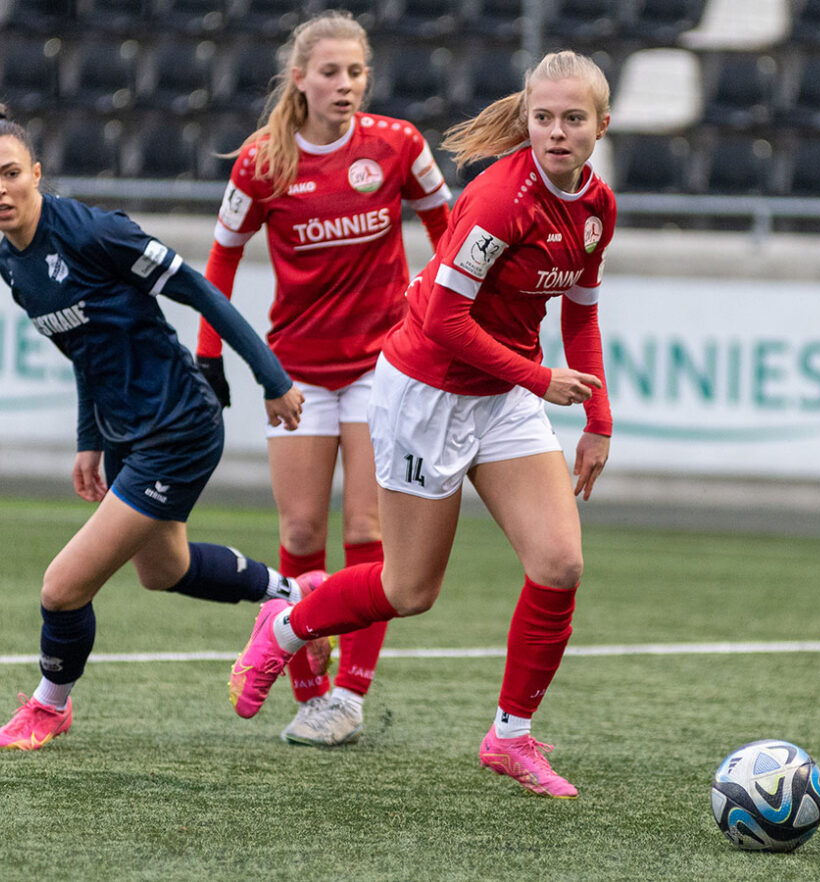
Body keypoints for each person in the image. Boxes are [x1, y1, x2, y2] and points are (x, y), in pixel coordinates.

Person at [227, 50, 616, 797]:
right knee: (409, 590)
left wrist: (598, 418)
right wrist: (541, 378)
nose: (556, 132)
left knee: (559, 564)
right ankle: (282, 628)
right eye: (543, 118)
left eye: (573, 119)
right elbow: (440, 319)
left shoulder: (597, 206)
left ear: (603, 124)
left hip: (502, 395)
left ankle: (510, 738)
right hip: (426, 392)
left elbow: (582, 313)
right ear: (526, 118)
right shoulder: (503, 199)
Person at [0, 102, 313, 751]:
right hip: (124, 433)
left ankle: (48, 707)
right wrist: (89, 440)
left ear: (36, 172)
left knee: (62, 587)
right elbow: (84, 349)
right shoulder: (12, 263)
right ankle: (293, 596)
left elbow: (201, 292)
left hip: (178, 425)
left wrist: (272, 378)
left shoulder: (97, 234)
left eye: (11, 173)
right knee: (165, 571)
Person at [196, 10, 452, 747]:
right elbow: (220, 262)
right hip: (297, 374)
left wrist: (442, 305)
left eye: (357, 72)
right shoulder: (261, 162)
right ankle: (307, 688)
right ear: (299, 79)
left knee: (370, 531)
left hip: (385, 370)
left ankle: (350, 696)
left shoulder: (398, 145)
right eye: (331, 72)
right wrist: (212, 355)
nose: (346, 85)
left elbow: (450, 229)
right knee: (302, 530)